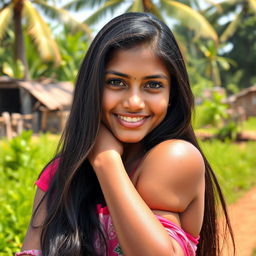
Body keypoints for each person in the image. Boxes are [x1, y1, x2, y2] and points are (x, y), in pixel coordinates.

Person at [17, 12, 235, 256]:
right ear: (93, 87)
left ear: (171, 95)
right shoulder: (61, 173)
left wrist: (105, 159)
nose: (133, 102)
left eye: (153, 85)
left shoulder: (175, 158)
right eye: (116, 83)